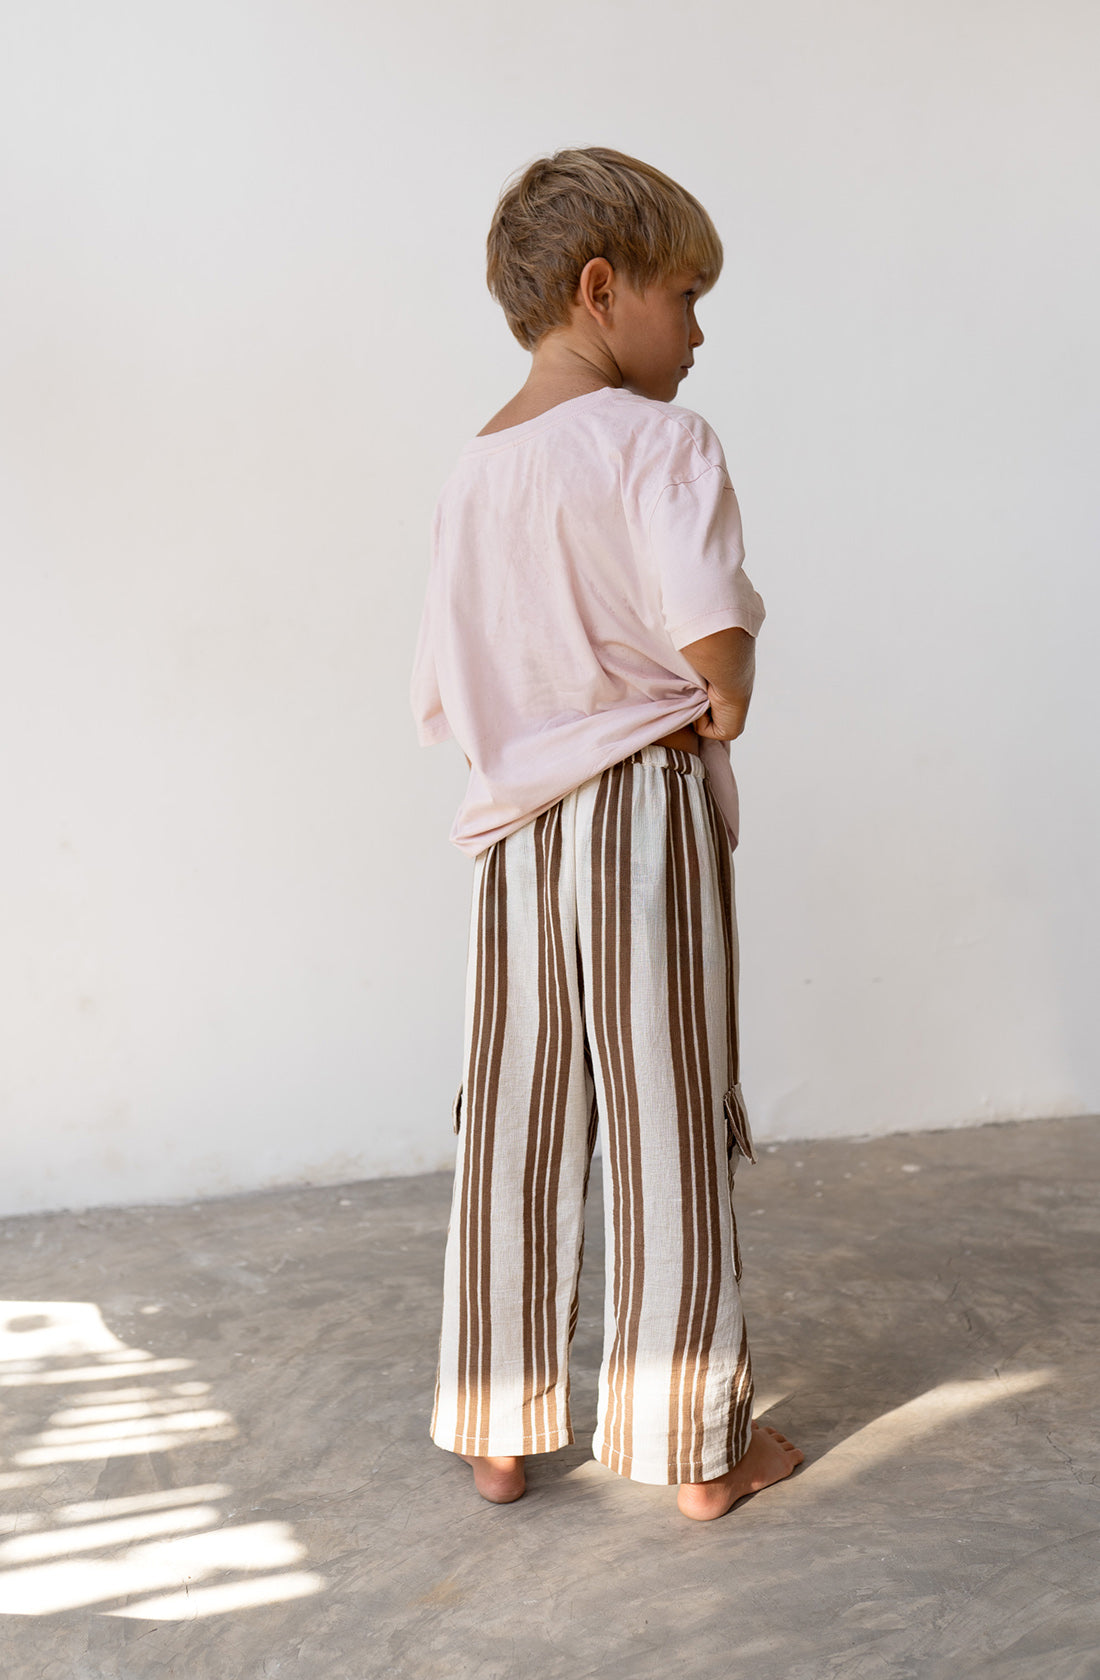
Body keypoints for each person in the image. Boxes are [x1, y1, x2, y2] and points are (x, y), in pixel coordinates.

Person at [409, 146, 804, 1521]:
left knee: (514, 1114)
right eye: (686, 295)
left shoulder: (471, 475)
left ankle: (495, 1426)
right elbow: (713, 644)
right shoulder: (662, 442)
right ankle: (698, 1447)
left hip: (511, 832)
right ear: (600, 288)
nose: (699, 330)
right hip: (641, 805)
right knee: (663, 1112)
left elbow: (446, 694)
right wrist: (730, 688)